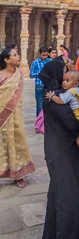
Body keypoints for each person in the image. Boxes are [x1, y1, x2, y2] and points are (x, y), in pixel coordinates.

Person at [39, 58, 79, 239]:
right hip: (64, 153)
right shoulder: (56, 98)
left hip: (57, 150)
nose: (63, 75)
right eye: (61, 71)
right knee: (70, 200)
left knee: (56, 197)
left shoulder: (51, 95)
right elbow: (73, 124)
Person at [0, 46, 35, 188]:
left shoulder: (19, 74)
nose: (18, 56)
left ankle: (18, 174)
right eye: (15, 55)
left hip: (16, 118)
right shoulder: (0, 76)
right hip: (2, 118)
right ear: (7, 60)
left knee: (17, 142)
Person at [45, 70, 79, 155]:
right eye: (63, 80)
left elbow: (61, 101)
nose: (64, 83)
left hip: (77, 118)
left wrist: (52, 96)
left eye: (67, 81)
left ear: (75, 84)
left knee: (77, 135)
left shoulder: (69, 92)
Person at [29, 46, 50, 116]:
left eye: (46, 55)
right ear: (39, 54)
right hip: (39, 86)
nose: (45, 57)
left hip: (48, 86)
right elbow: (31, 75)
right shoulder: (35, 63)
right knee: (40, 106)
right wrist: (40, 73)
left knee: (48, 105)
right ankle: (39, 123)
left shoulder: (49, 61)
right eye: (43, 55)